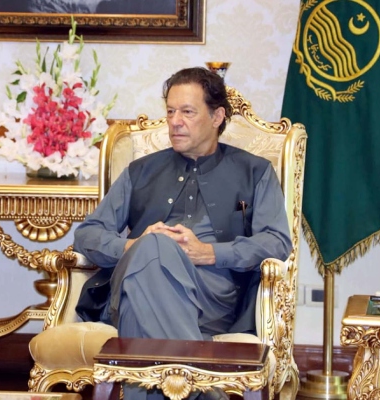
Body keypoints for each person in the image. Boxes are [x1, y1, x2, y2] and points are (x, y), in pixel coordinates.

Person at [73, 67, 292, 400]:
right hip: (134, 280)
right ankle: (208, 390)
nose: (175, 121)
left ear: (217, 116)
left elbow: (276, 241)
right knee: (154, 249)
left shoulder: (254, 170)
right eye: (171, 111)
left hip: (213, 298)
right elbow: (87, 234)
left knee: (141, 307)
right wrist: (135, 244)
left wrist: (211, 253)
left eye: (187, 112)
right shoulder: (142, 170)